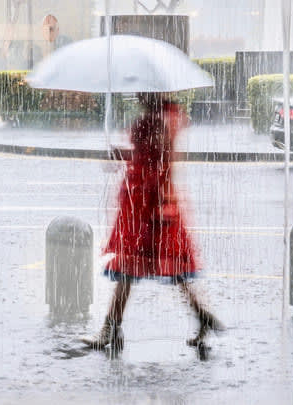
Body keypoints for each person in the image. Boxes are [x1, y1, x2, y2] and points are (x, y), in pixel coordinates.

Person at [82, 93, 224, 357]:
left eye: (141, 90)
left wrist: (155, 203)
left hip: (148, 207)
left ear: (152, 92)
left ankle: (110, 329)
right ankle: (202, 315)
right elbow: (150, 156)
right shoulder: (162, 117)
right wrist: (125, 154)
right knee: (171, 270)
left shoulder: (159, 121)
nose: (137, 95)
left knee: (128, 268)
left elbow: (159, 164)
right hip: (149, 204)